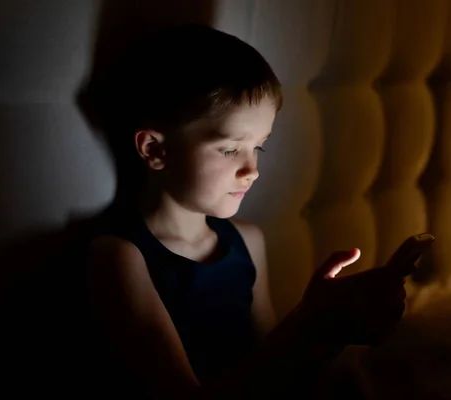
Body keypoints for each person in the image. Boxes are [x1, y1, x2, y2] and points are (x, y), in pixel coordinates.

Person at [81, 23, 409, 399]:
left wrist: (333, 329)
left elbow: (277, 371)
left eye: (259, 147)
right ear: (156, 149)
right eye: (229, 149)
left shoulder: (248, 242)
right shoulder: (121, 257)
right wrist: (311, 324)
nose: (252, 170)